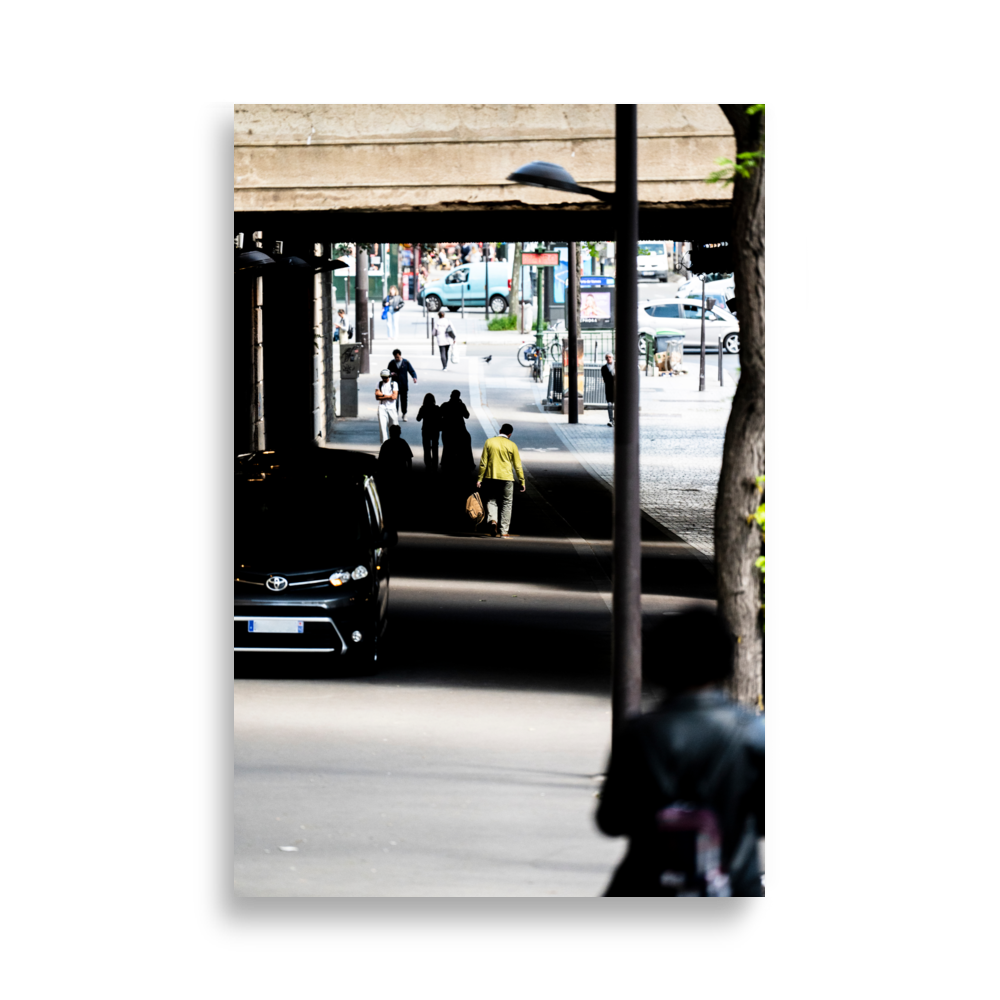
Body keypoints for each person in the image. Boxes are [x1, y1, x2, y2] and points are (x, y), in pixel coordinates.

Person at [596, 609, 765, 897]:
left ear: (661, 662)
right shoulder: (754, 732)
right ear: (725, 663)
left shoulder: (641, 733)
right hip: (733, 882)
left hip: (649, 883)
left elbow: (611, 820)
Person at [476, 423, 526, 538]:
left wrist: (480, 479)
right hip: (507, 478)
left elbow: (483, 463)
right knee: (507, 503)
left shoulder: (489, 442)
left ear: (500, 430)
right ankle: (504, 532)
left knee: (491, 500)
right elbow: (517, 465)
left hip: (491, 477)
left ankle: (493, 520)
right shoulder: (512, 445)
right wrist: (522, 481)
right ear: (510, 434)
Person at [377, 424, 413, 517]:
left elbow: (381, 460)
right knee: (400, 491)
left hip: (389, 473)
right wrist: (409, 470)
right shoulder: (403, 443)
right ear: (399, 433)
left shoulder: (386, 444)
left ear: (390, 433)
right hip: (401, 471)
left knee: (390, 492)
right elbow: (409, 458)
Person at [439, 389, 474, 479]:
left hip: (447, 430)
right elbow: (467, 415)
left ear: (450, 396)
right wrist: (461, 404)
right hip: (460, 429)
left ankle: (445, 462)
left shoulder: (445, 405)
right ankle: (469, 462)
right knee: (467, 441)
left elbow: (439, 415)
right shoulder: (461, 405)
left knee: (447, 447)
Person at [387, 349, 418, 422]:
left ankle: (404, 413)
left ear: (400, 355)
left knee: (404, 400)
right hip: (395, 385)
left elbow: (412, 371)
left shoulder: (405, 362)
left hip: (403, 384)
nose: (397, 358)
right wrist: (391, 374)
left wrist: (414, 377)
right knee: (395, 400)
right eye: (395, 357)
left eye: (398, 357)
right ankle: (395, 414)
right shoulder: (392, 363)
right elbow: (387, 372)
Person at [416, 392, 441, 471]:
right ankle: (435, 464)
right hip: (435, 430)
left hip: (426, 429)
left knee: (426, 448)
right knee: (435, 447)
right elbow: (441, 418)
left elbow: (418, 419)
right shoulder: (437, 408)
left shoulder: (423, 408)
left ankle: (428, 464)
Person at [375, 368, 399, 444]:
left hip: (392, 408)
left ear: (389, 377)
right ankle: (384, 446)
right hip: (382, 408)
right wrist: (389, 396)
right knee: (382, 428)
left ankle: (394, 445)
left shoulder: (394, 384)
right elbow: (377, 396)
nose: (384, 379)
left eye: (386, 377)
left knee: (394, 428)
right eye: (383, 377)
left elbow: (394, 397)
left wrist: (382, 395)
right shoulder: (379, 384)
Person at [601, 353, 615, 427]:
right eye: (607, 357)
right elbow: (605, 378)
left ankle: (615, 419)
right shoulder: (603, 368)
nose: (608, 358)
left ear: (612, 358)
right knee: (609, 404)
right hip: (609, 388)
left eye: (610, 357)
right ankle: (611, 420)